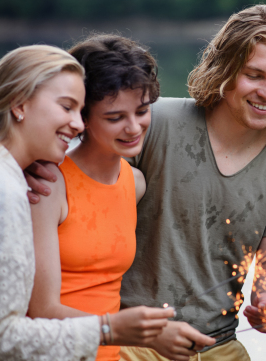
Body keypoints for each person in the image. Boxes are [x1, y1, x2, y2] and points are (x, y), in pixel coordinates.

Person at [27, 4, 266, 361]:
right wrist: (33, 165)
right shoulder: (152, 122)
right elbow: (83, 177)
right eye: (254, 75)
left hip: (219, 345)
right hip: (131, 338)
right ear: (225, 70)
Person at [27, 35, 175, 361]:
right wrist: (122, 327)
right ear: (82, 118)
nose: (134, 127)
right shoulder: (49, 184)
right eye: (114, 118)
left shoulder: (135, 183)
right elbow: (40, 309)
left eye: (142, 110)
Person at [0, 45, 101, 359]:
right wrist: (111, 329)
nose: (79, 124)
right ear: (19, 104)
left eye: (80, 111)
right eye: (67, 107)